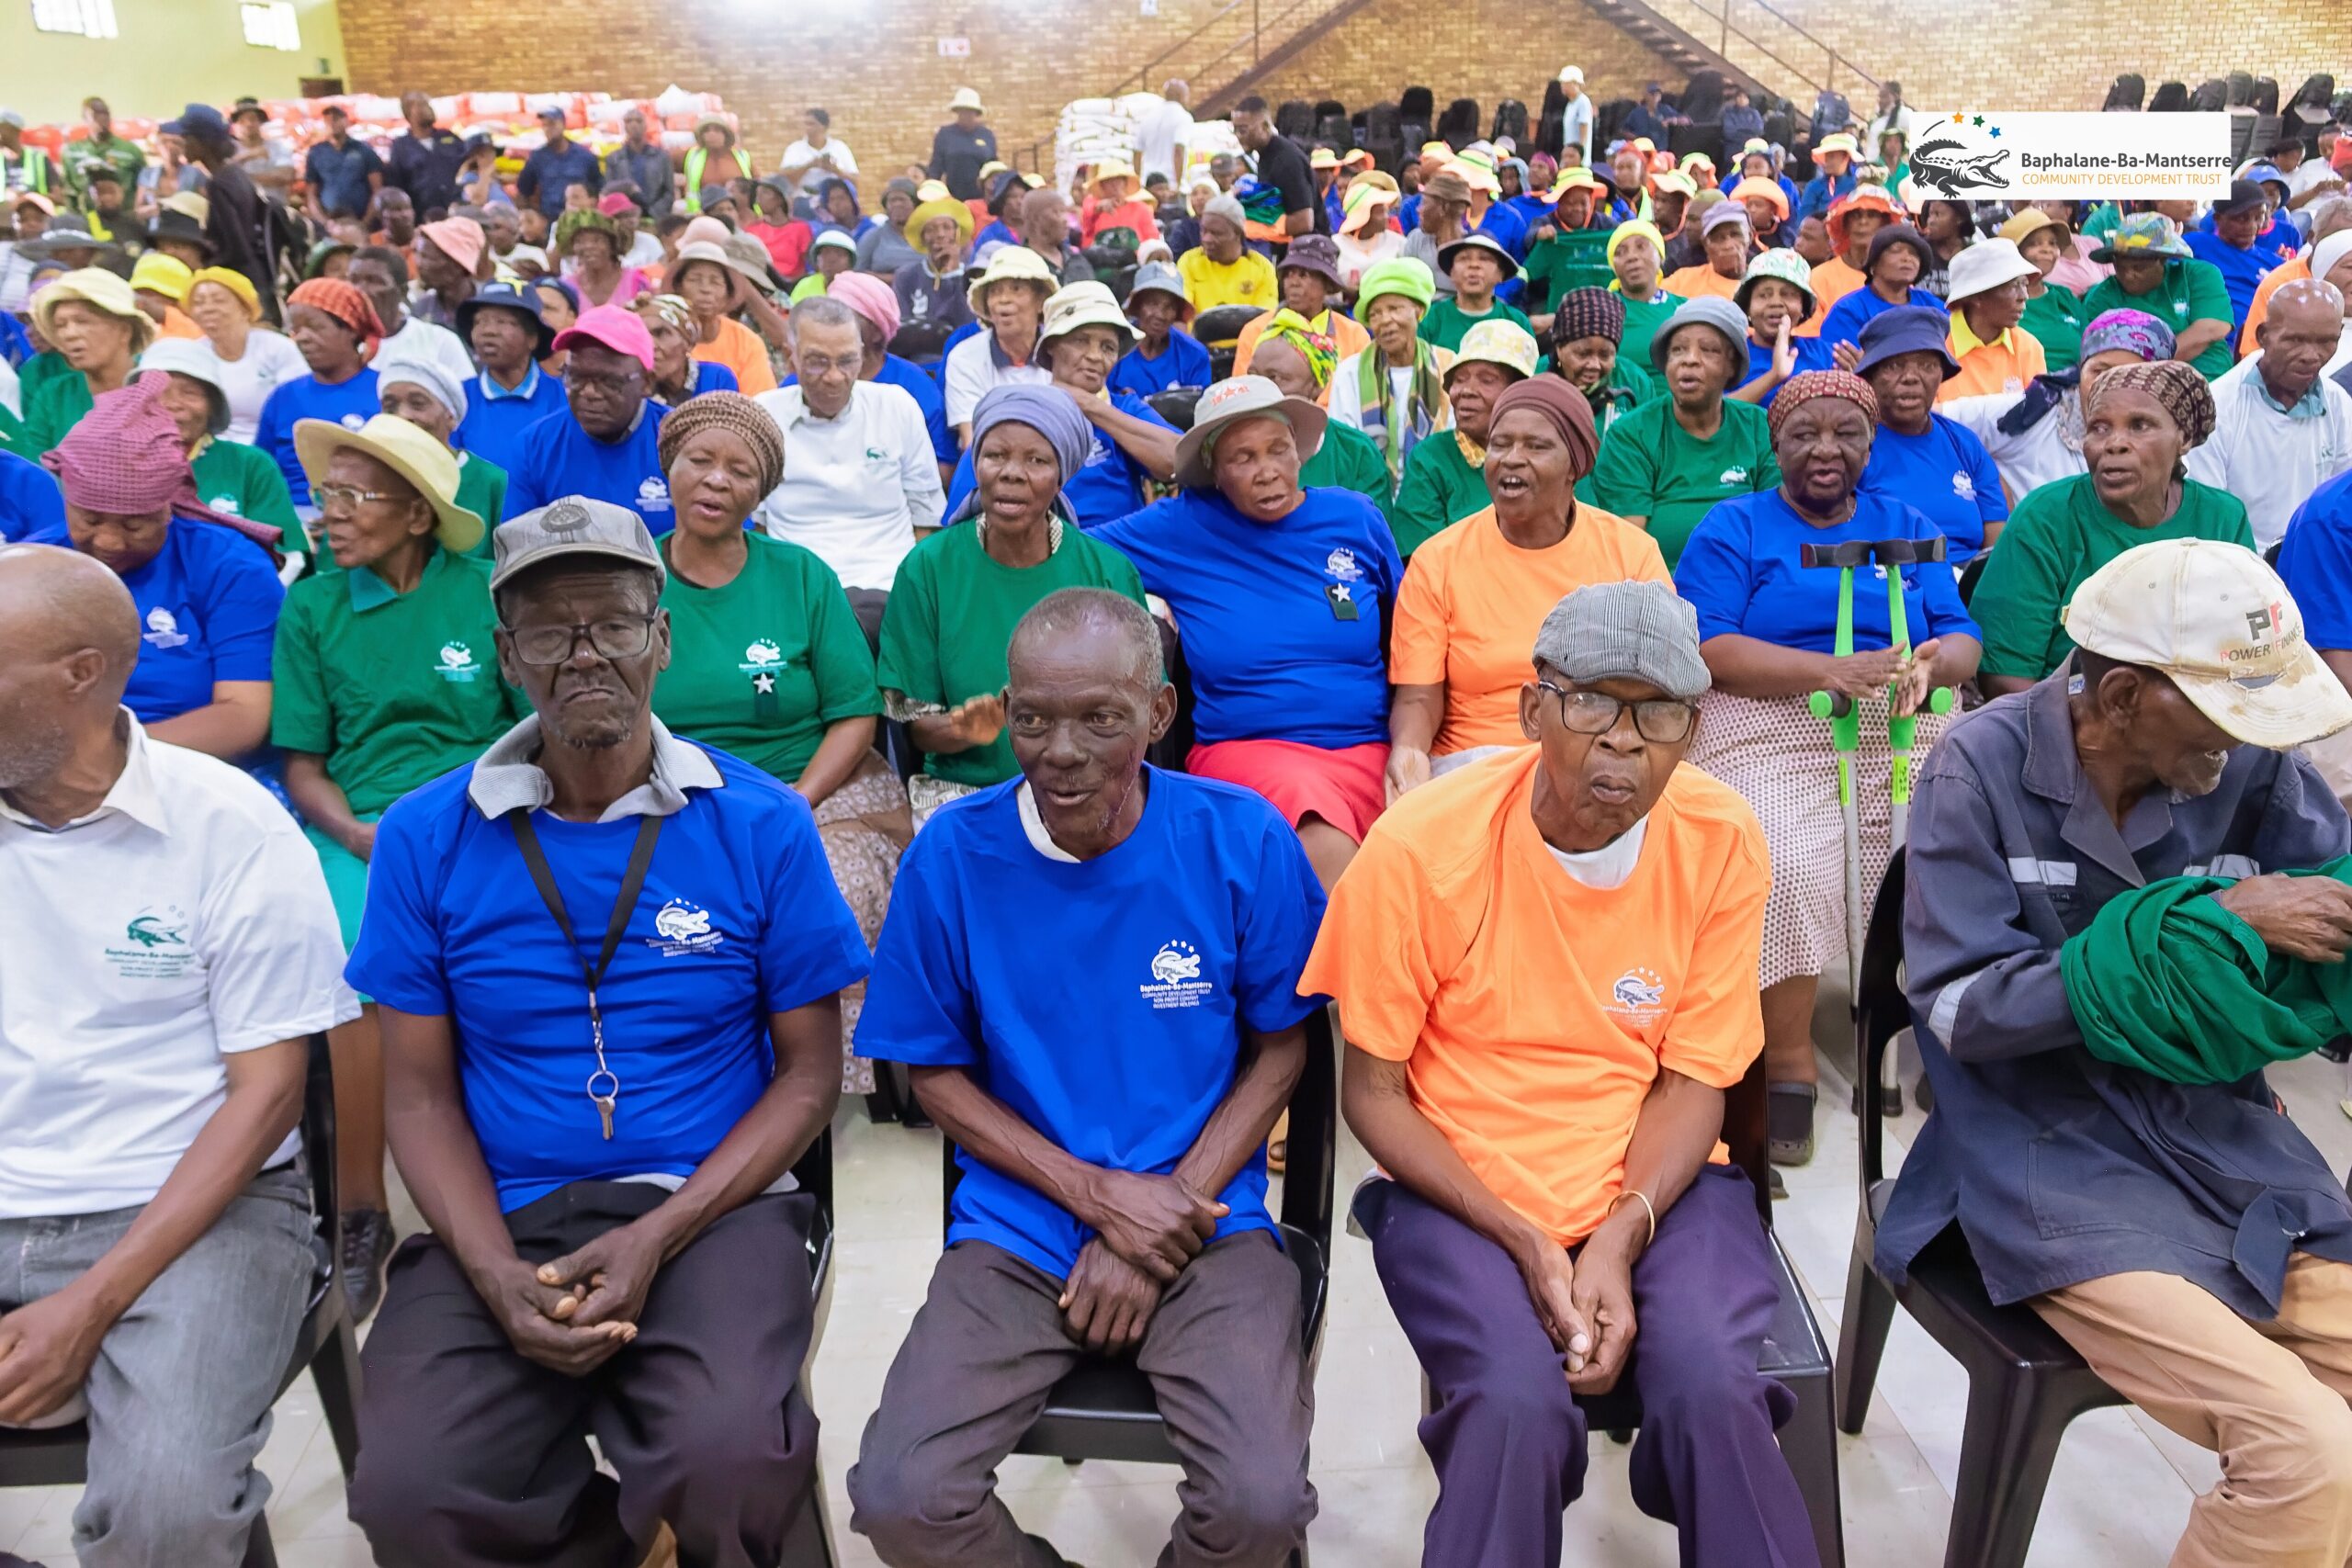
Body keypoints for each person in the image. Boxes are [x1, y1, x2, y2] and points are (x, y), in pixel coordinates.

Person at [339, 493, 867, 1565]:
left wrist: (656, 1234)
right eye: (548, 632)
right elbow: (419, 1096)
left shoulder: (759, 821)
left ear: (661, 639)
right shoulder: (424, 836)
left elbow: (810, 1076)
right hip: (503, 1213)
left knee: (729, 1455)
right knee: (408, 1490)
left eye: (615, 624)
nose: (585, 655)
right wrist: (493, 1272)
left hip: (709, 1206)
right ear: (506, 656)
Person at [1313, 576, 1819, 1564]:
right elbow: (1371, 1092)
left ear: (1693, 731)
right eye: (1591, 703)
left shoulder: (1720, 837)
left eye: (1659, 712)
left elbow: (1694, 1080)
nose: (1623, 741)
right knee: (1512, 1405)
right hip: (1461, 1188)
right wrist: (1526, 1237)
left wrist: (1618, 1235)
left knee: (1714, 1388)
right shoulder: (1421, 846)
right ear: (1529, 709)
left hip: (1657, 1180)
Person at [1881, 537, 2352, 1568]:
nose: (2243, 741)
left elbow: (2332, 922)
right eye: (2224, 713)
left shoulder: (2251, 765)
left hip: (2221, 1145)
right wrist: (2212, 922)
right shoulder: (1978, 767)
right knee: (2306, 1448)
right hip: (2041, 1155)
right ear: (2127, 695)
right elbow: (1958, 1012)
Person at [851, 585, 1323, 1567]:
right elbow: (932, 1075)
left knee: (1260, 1506)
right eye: (1031, 720)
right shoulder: (953, 857)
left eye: (1100, 719)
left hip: (1206, 1220)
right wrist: (1100, 1199)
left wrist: (1166, 1213)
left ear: (1158, 712)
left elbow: (1284, 1048)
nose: (1060, 751)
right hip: (1020, 1225)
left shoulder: (1239, 838)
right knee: (902, 1498)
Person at [0, 541, 356, 1566]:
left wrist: (92, 1302)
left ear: (81, 674)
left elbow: (268, 1097)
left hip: (199, 1205)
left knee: (171, 1509)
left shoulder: (226, 827)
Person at [1676, 370, 1980, 1161]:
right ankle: (1788, 1058)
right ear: (1774, 443)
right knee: (1784, 862)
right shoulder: (1735, 524)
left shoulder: (1906, 521)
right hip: (1774, 716)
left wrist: (1934, 664)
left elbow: (1960, 632)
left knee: (1949, 859)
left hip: (1903, 712)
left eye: (1846, 433)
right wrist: (1826, 672)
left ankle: (1921, 1035)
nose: (1825, 449)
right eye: (1804, 433)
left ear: (1870, 446)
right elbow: (1709, 645)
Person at [273, 411, 500, 1316]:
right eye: (325, 495)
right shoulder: (314, 606)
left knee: (503, 948)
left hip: (483, 816)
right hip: (359, 828)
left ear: (416, 514)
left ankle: (507, 1175)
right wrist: (360, 833)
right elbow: (304, 764)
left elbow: (527, 729)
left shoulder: (484, 591)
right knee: (352, 973)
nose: (329, 513)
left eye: (353, 496)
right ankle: (361, 1210)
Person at [646, 392, 906, 1098]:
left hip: (813, 787)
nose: (717, 480)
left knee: (831, 890)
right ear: (670, 467)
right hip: (669, 792)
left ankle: (815, 1083)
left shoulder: (800, 574)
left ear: (762, 491)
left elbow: (855, 715)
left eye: (741, 471)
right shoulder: (635, 577)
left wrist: (798, 799)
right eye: (701, 461)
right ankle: (703, 1074)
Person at [1097, 377, 1401, 889]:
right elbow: (1073, 555)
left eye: (1278, 449)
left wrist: (1412, 744)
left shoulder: (1354, 518)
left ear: (1298, 451)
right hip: (1249, 749)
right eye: (1243, 458)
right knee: (1321, 839)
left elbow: (1410, 633)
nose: (1267, 471)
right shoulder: (1180, 527)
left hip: (1367, 749)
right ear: (1214, 472)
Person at [1389, 375, 1669, 798]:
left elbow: (1661, 685)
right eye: (1500, 444)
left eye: (1536, 447)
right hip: (1475, 763)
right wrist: (1409, 752)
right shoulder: (1437, 560)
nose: (1511, 459)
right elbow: (1417, 698)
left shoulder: (1631, 554)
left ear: (1574, 466)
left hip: (1598, 757)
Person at [877, 387, 1146, 828]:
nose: (1012, 474)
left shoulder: (1108, 572)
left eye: (1036, 460)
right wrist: (961, 729)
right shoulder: (928, 568)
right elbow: (918, 728)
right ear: (976, 464)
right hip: (968, 792)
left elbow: (1140, 711)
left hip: (1089, 785)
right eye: (995, 456)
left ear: (1061, 475)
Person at [1973, 359, 2253, 694]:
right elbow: (2006, 675)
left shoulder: (2222, 519)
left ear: (2184, 438)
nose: (2114, 443)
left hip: (2201, 706)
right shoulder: (2045, 519)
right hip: (2069, 709)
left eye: (2140, 425)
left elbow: (2246, 652)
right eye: (2100, 428)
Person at [50, 379, 286, 761]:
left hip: (190, 767)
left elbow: (243, 717)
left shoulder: (231, 567)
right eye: (90, 521)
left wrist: (100, 757)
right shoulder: (41, 564)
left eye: (134, 526)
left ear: (166, 508)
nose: (109, 542)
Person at [750, 296, 945, 641]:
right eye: (817, 362)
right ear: (790, 356)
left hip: (889, 589)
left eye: (847, 361)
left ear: (862, 355)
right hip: (799, 592)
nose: (834, 377)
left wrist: (913, 596)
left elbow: (926, 522)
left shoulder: (896, 407)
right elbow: (760, 526)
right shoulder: (763, 415)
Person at [944, 282, 1176, 529]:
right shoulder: (1015, 416)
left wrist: (1090, 405)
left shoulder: (1124, 409)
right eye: (1081, 341)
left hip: (1115, 547)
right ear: (1051, 346)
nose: (1095, 356)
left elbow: (1176, 461)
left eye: (1108, 347)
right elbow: (960, 523)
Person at [1587, 295, 1781, 569]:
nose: (1690, 360)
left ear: (1732, 365)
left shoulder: (1760, 428)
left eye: (1708, 350)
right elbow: (1629, 551)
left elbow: (1774, 532)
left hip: (1749, 582)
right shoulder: (1630, 434)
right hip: (1659, 587)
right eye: (1677, 350)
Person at [2184, 280, 2352, 550]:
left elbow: (2343, 500)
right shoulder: (2217, 406)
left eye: (2326, 341)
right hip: (2239, 558)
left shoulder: (2339, 403)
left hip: (2314, 553)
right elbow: (2210, 516)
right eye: (2295, 340)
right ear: (2263, 335)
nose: (2311, 355)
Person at [1845, 305, 2010, 567]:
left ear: (1942, 375)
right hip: (1890, 578)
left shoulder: (1964, 443)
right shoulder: (1853, 446)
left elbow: (1996, 544)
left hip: (1969, 579)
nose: (1911, 378)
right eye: (1894, 366)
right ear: (1870, 376)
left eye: (1927, 365)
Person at [506, 305, 674, 525]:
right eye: (575, 377)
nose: (589, 392)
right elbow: (518, 539)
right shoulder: (534, 446)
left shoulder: (680, 441)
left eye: (609, 381)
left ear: (647, 383)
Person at [138, 336, 301, 556]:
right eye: (159, 394)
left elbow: (285, 553)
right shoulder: (116, 463)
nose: (174, 404)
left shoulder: (250, 464)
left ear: (212, 405)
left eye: (189, 393)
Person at [1394, 319, 1539, 557]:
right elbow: (1421, 557)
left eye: (1487, 380)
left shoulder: (1549, 456)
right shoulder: (1430, 459)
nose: (1466, 391)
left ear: (1520, 391)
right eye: (1459, 379)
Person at [253, 276, 383, 511]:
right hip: (294, 517)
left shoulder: (385, 391)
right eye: (295, 330)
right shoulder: (283, 397)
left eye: (315, 327)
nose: (302, 338)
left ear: (351, 329)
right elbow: (261, 473)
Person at [2082, 212, 2238, 379]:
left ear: (2163, 259)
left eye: (2139, 268)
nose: (2128, 275)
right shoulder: (2102, 296)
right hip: (2138, 387)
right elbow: (2098, 354)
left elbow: (2213, 328)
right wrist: (2144, 375)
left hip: (2213, 378)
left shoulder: (2198, 274)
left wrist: (2146, 367)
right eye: (2120, 267)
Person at [16, 265, 151, 457]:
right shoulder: (53, 395)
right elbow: (36, 466)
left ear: (124, 331)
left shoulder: (163, 388)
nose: (69, 334)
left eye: (82, 321)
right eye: (60, 325)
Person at [375, 350, 507, 540]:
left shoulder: (491, 482)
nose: (402, 415)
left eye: (417, 404)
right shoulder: (370, 477)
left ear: (451, 417)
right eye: (390, 407)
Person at [157, 106, 269, 316]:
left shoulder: (218, 184)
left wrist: (201, 270)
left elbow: (235, 248)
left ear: (202, 142)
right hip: (256, 277)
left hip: (240, 284)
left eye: (186, 137)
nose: (182, 143)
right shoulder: (235, 174)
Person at [452, 281, 565, 479]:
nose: (488, 331)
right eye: (480, 322)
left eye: (502, 322)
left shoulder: (563, 398)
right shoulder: (458, 399)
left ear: (533, 338)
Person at [944, 244, 1057, 438]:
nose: (1004, 299)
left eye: (1016, 289)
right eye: (995, 291)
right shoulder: (965, 357)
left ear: (1040, 301)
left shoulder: (1062, 352)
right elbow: (972, 440)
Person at [185, 264, 305, 446]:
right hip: (215, 449)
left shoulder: (277, 348)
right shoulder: (193, 354)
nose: (208, 308)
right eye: (198, 303)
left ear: (245, 309)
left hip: (275, 444)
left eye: (218, 300)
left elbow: (296, 405)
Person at [1231, 234, 1369, 384]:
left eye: (1304, 275)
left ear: (1327, 284)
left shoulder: (1354, 335)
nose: (1293, 282)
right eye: (1289, 274)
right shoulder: (1255, 330)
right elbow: (1243, 390)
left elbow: (1364, 388)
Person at [346, 245, 473, 391]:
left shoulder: (439, 341)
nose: (360, 290)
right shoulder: (337, 343)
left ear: (402, 291)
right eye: (353, 280)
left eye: (374, 281)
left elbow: (467, 397)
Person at [1937, 238, 2050, 402]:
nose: (2024, 296)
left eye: (2024, 284)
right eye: (2014, 286)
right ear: (1978, 296)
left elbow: (2038, 411)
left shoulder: (2028, 347)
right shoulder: (1936, 347)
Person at [2185, 179, 2287, 335]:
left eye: (2259, 217)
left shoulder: (2276, 264)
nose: (2252, 226)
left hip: (2259, 342)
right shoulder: (2195, 245)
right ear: (2218, 219)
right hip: (2208, 337)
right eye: (2242, 218)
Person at [1818, 222, 1944, 346]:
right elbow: (1839, 356)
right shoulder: (1848, 311)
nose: (1907, 258)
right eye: (1896, 250)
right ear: (1874, 264)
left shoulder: (1933, 306)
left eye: (1914, 253)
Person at [1550, 287, 1654, 436]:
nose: (1594, 365)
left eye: (1605, 355)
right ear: (1559, 348)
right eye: (1583, 354)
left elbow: (1650, 439)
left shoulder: (1635, 380)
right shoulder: (1536, 378)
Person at [1521, 167, 1618, 317]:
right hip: (1554, 306)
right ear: (1559, 201)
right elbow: (1529, 239)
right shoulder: (1545, 222)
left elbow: (1624, 239)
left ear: (1591, 200)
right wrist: (1540, 235)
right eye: (1570, 203)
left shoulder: (1607, 226)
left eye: (1583, 203)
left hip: (1601, 309)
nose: (1577, 209)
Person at [1110, 258, 1211, 395]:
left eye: (1169, 307)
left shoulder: (1194, 354)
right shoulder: (1114, 349)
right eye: (1152, 303)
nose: (1160, 315)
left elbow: (1202, 404)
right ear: (1138, 306)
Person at [1230, 94, 1319, 237]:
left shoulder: (1286, 160)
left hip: (1308, 246)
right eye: (1234, 130)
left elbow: (1304, 222)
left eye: (1243, 130)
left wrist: (1254, 228)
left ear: (1265, 126)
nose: (1238, 136)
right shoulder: (1265, 154)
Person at [1179, 193, 1279, 314]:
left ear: (1238, 234)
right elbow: (1182, 314)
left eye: (1216, 233)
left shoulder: (1262, 268)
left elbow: (1265, 318)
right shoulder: (1189, 262)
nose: (1206, 239)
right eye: (1204, 231)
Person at [1812, 187, 1898, 324]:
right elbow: (1810, 333)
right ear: (1845, 224)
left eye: (1871, 215)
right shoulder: (1819, 277)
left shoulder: (1898, 277)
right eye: (1856, 215)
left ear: (1885, 225)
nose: (1863, 221)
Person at [893, 189, 975, 333]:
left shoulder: (971, 277)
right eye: (931, 229)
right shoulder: (906, 276)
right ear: (923, 238)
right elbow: (902, 325)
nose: (940, 234)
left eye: (947, 228)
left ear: (957, 234)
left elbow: (967, 323)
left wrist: (953, 274)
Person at [384, 93, 469, 219]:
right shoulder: (401, 147)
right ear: (408, 115)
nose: (428, 109)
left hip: (458, 211)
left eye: (428, 105)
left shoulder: (449, 137)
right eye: (421, 105)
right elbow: (396, 185)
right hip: (423, 216)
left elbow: (469, 164)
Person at [516, 106, 601, 220]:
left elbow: (598, 189)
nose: (548, 129)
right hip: (550, 218)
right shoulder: (537, 158)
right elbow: (523, 191)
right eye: (544, 125)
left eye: (552, 124)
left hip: (580, 219)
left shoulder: (584, 156)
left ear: (563, 124)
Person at [303, 103, 383, 222]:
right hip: (329, 218)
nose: (332, 124)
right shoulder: (316, 153)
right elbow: (311, 194)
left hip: (360, 219)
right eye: (328, 121)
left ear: (346, 121)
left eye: (336, 119)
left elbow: (377, 189)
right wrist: (324, 223)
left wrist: (366, 222)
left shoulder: (364, 150)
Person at [409, 215, 486, 335]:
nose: (419, 264)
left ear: (457, 265)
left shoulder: (490, 306)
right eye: (419, 255)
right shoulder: (421, 308)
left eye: (427, 257)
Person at [1662, 204, 1752, 303]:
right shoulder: (1683, 280)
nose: (1728, 245)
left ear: (1749, 237)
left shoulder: (1759, 285)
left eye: (1735, 234)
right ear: (1705, 245)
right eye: (1718, 238)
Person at [62, 96, 142, 203]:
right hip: (85, 211)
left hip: (122, 211)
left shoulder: (130, 151)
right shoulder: (72, 152)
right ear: (85, 119)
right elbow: (69, 190)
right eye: (96, 115)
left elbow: (143, 188)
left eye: (105, 113)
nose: (102, 118)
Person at [1333, 177, 1405, 288]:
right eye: (1381, 212)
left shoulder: (1398, 242)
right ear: (1365, 216)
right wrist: (1346, 291)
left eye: (1387, 211)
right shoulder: (1335, 245)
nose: (1387, 217)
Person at [929, 88, 999, 202]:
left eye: (970, 111)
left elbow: (994, 168)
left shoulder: (987, 135)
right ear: (957, 112)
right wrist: (931, 193)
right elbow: (936, 168)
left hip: (982, 200)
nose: (966, 115)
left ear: (976, 113)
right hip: (953, 199)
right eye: (962, 111)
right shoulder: (945, 134)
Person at [775, 107, 857, 202]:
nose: (806, 128)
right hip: (804, 199)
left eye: (811, 124)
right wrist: (808, 166)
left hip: (834, 201)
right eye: (805, 124)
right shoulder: (794, 148)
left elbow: (855, 181)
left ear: (823, 127)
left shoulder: (839, 147)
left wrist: (836, 170)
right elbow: (783, 179)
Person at [605, 107, 674, 220]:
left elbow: (669, 192)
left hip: (655, 216)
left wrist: (653, 213)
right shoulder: (615, 158)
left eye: (638, 121)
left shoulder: (661, 157)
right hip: (625, 217)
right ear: (624, 127)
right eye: (629, 121)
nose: (634, 125)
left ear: (646, 125)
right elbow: (609, 190)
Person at [1135, 78, 1195, 186]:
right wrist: (1178, 184)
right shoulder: (1183, 117)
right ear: (1181, 96)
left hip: (1147, 181)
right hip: (1169, 182)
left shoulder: (1149, 116)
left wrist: (1138, 180)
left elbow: (1137, 152)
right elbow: (1178, 150)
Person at [1797, 132, 1860, 221]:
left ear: (1846, 157)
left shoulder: (1857, 187)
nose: (1826, 161)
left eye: (1831, 157)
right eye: (1826, 157)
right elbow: (1803, 221)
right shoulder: (1814, 187)